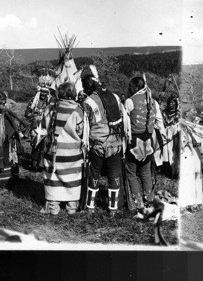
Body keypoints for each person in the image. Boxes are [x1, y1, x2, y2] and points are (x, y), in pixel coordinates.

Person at [82, 68, 125, 216]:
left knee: (94, 174)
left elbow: (85, 125)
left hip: (97, 144)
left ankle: (90, 207)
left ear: (87, 86)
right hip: (115, 142)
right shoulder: (115, 97)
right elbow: (123, 118)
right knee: (114, 175)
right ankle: (113, 209)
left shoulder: (88, 102)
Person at [124, 76, 165, 218]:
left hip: (134, 141)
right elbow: (159, 123)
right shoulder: (153, 102)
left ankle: (138, 204)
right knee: (146, 172)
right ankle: (149, 201)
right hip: (148, 141)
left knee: (132, 173)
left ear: (135, 87)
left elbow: (125, 123)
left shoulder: (130, 101)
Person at [41, 82, 85, 215]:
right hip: (72, 152)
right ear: (73, 94)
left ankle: (53, 207)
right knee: (72, 178)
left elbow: (45, 125)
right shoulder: (78, 110)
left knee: (53, 178)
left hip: (53, 151)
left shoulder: (51, 107)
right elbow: (81, 130)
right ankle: (71, 207)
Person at [0, 92, 23, 188]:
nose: (3, 102)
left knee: (13, 160)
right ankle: (0, 183)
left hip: (11, 138)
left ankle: (13, 181)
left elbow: (12, 122)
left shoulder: (5, 108)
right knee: (2, 160)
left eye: (4, 100)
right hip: (0, 140)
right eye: (1, 100)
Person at [24, 75, 54, 170]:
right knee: (35, 145)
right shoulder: (33, 101)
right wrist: (35, 115)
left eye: (45, 95)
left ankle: (41, 165)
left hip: (46, 126)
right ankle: (34, 165)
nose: (43, 96)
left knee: (44, 146)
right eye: (42, 94)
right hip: (35, 126)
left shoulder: (50, 103)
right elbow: (27, 114)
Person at [159, 93, 181, 177]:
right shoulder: (164, 112)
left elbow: (178, 123)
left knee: (175, 151)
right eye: (170, 102)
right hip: (166, 133)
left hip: (175, 134)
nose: (171, 104)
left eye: (173, 102)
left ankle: (176, 171)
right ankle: (168, 170)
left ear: (176, 103)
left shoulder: (178, 113)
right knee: (167, 151)